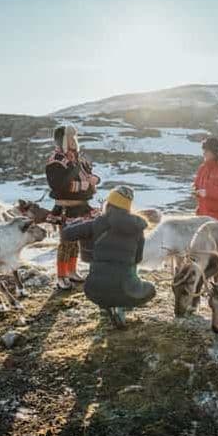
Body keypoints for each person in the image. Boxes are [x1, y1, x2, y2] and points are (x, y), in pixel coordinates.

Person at [61, 186, 156, 329]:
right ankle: (121, 306)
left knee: (105, 285)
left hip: (94, 288)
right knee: (150, 289)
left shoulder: (96, 223)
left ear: (109, 204)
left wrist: (80, 223)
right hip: (126, 288)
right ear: (128, 207)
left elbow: (66, 234)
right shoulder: (137, 228)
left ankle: (107, 306)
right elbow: (138, 259)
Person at [45, 123, 99, 290]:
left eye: (74, 137)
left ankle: (72, 271)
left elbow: (89, 176)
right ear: (62, 140)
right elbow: (59, 185)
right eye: (70, 137)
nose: (74, 140)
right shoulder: (56, 161)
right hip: (65, 208)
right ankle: (61, 276)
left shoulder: (78, 158)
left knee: (75, 241)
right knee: (65, 242)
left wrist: (94, 180)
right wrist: (85, 186)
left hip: (81, 206)